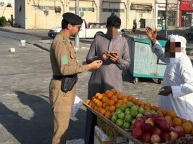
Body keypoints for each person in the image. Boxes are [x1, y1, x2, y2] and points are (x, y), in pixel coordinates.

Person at [49, 12, 103, 144]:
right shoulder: (61, 42)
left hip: (67, 88)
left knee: (64, 127)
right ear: (69, 26)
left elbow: (71, 65)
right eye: (78, 27)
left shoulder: (66, 41)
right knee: (60, 130)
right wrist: (89, 67)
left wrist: (90, 64)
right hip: (62, 89)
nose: (79, 30)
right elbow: (65, 69)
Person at [84, 14, 131, 144]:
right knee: (92, 115)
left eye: (116, 30)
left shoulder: (123, 42)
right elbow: (88, 59)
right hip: (96, 83)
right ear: (107, 26)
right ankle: (88, 141)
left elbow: (127, 64)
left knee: (114, 116)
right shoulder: (98, 39)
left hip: (114, 85)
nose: (113, 33)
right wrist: (101, 57)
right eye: (111, 30)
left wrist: (118, 60)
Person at [145, 27, 193, 122]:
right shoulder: (173, 58)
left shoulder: (183, 62)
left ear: (177, 48)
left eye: (169, 46)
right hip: (170, 109)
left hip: (181, 111)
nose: (166, 47)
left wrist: (172, 89)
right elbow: (161, 55)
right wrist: (153, 40)